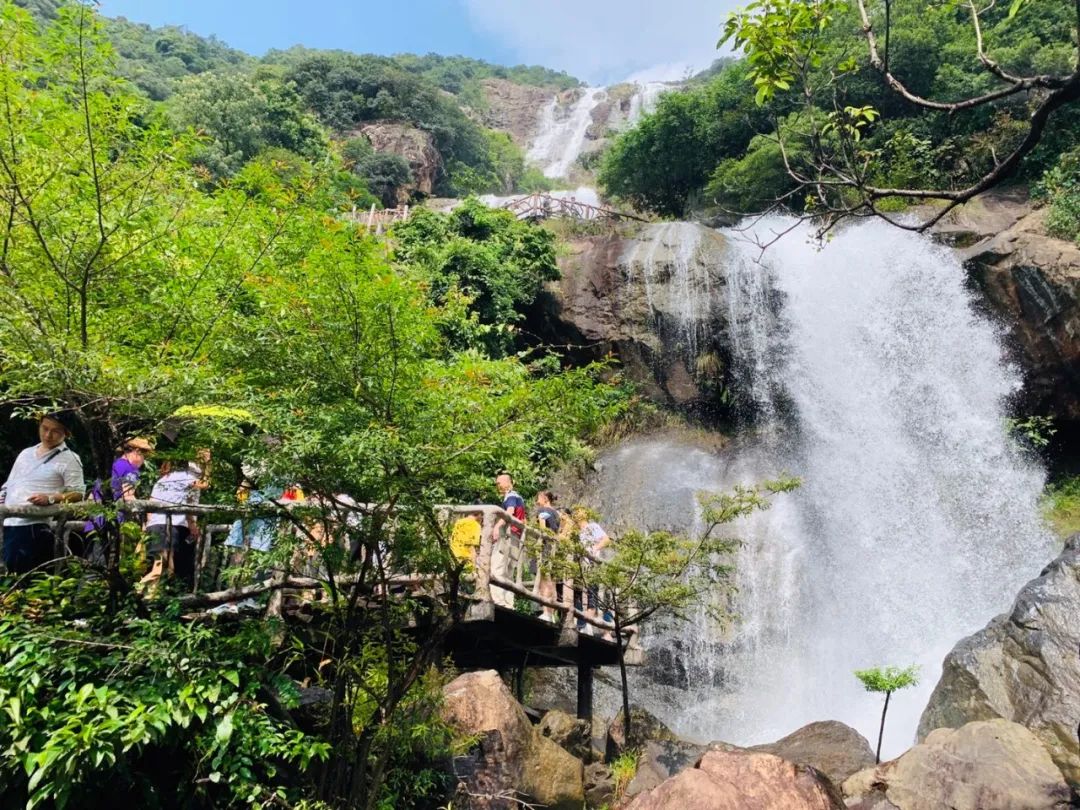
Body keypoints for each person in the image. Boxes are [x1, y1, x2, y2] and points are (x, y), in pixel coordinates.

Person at [0, 412, 85, 575]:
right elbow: (10, 483)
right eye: (45, 428)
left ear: (66, 434)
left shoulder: (70, 459)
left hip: (32, 525)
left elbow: (78, 493)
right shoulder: (25, 453)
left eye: (55, 431)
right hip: (7, 521)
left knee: (21, 575)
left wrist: (52, 498)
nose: (48, 435)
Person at [144, 450, 210, 591]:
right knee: (169, 568)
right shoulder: (185, 477)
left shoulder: (162, 480)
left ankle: (148, 600)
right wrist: (208, 464)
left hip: (155, 526)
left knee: (156, 566)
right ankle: (151, 598)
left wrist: (148, 526)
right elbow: (204, 484)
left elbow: (150, 506)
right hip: (172, 527)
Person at [573, 506, 612, 634]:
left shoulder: (592, 526)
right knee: (579, 593)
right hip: (580, 566)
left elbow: (606, 539)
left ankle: (587, 625)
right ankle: (583, 624)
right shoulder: (577, 532)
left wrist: (594, 548)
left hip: (591, 564)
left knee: (591, 593)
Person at [490, 472, 525, 608]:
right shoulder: (519, 497)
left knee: (497, 567)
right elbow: (523, 519)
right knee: (509, 571)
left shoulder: (510, 496)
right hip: (516, 536)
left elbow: (509, 512)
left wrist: (497, 527)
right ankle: (509, 603)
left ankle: (498, 601)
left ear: (507, 482)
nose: (497, 485)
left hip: (508, 536)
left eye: (499, 483)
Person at [535, 491, 562, 623]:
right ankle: (551, 613)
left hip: (545, 547)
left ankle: (546, 612)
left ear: (545, 499)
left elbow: (542, 528)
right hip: (554, 548)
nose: (536, 501)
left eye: (538, 498)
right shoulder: (556, 513)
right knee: (552, 580)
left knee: (545, 579)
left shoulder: (543, 510)